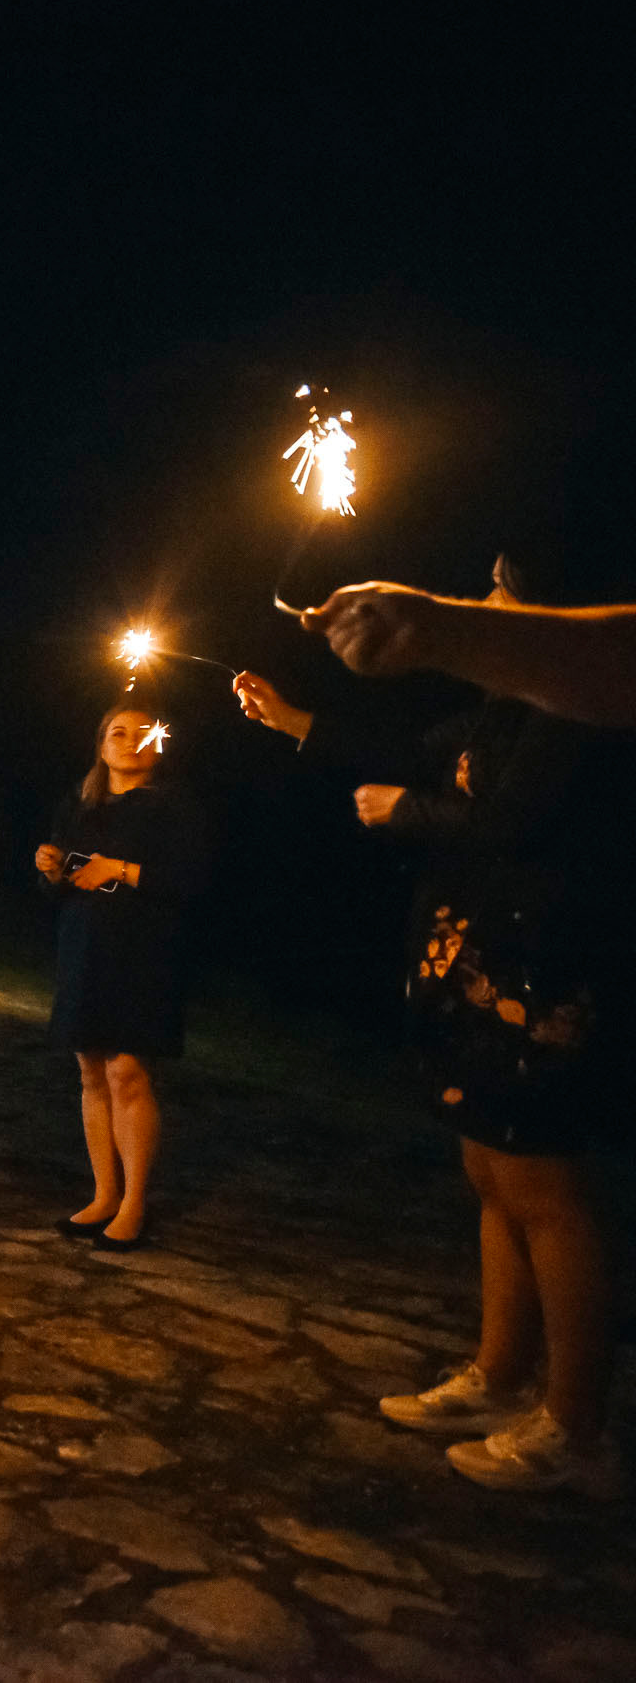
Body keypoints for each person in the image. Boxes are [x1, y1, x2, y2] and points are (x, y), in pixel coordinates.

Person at [248, 559, 625, 1496]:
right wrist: (294, 720)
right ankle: (499, 1378)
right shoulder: (498, 710)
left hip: (542, 962)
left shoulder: (574, 708)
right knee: (489, 1168)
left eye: (502, 591)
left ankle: (577, 1425)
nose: (487, 601)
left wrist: (403, 813)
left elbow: (510, 817)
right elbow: (417, 747)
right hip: (472, 950)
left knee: (545, 1183)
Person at [34, 706, 209, 1249]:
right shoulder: (81, 804)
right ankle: (103, 1194)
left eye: (142, 733)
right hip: (84, 947)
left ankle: (134, 1204)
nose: (130, 741)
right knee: (90, 1072)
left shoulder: (175, 807)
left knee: (128, 1073)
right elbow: (61, 886)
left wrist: (122, 869)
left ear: (158, 744)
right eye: (117, 732)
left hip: (144, 951)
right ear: (100, 743)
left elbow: (192, 882)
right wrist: (50, 870)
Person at [307, 580, 636, 727]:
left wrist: (442, 629)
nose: (486, 598)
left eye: (503, 584)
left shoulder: (547, 718)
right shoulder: (492, 711)